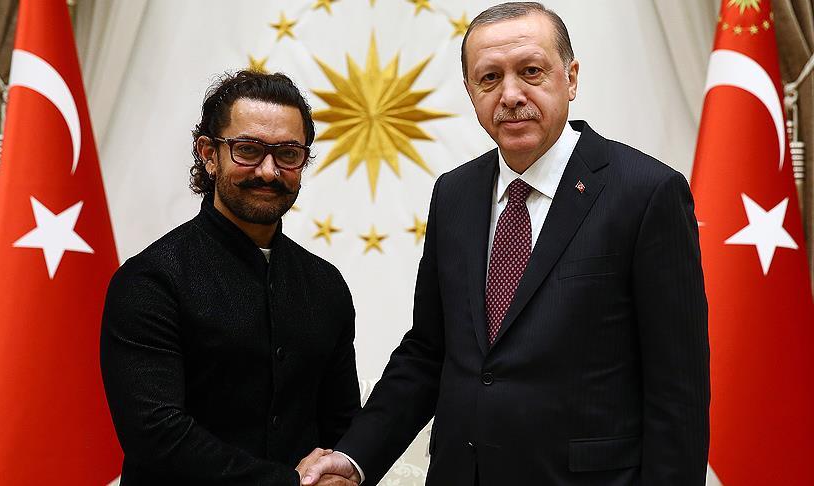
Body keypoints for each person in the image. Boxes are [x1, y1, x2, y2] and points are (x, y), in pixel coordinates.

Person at [301, 2, 709, 485]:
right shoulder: (454, 194)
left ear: (571, 78)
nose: (511, 95)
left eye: (531, 71)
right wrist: (354, 457)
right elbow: (429, 352)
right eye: (489, 78)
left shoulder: (646, 192)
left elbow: (677, 391)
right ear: (470, 91)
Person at [100, 70, 361, 486]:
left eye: (288, 153)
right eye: (248, 150)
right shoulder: (149, 281)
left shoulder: (326, 285)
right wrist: (286, 484)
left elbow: (342, 423)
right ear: (209, 154)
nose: (269, 171)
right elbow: (156, 435)